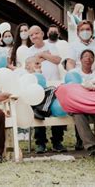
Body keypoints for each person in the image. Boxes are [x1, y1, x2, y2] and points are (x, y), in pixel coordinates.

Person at [27, 25, 66, 153]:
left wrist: (42, 54)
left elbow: (57, 60)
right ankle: (41, 143)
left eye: (36, 33)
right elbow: (30, 63)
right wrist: (46, 57)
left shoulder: (51, 46)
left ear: (42, 33)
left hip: (54, 86)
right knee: (39, 112)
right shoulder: (29, 50)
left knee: (57, 110)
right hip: (38, 87)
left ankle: (57, 142)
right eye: (31, 35)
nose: (34, 36)